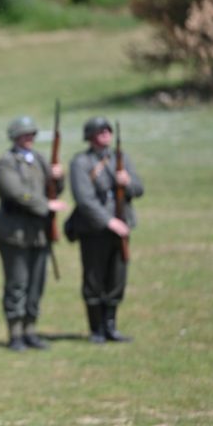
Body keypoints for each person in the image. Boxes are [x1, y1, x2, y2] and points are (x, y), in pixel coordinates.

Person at [0, 116, 67, 352]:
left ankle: (30, 330)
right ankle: (15, 333)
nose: (29, 139)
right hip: (15, 232)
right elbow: (16, 193)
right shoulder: (6, 162)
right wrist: (45, 205)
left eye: (32, 135)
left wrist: (58, 177)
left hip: (38, 233)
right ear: (15, 137)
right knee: (17, 283)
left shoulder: (40, 160)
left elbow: (54, 189)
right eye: (25, 135)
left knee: (36, 284)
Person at [68, 117, 144, 343]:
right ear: (90, 136)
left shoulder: (120, 159)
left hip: (121, 227)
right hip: (94, 229)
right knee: (94, 279)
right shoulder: (81, 162)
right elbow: (85, 199)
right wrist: (109, 222)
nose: (105, 135)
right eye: (100, 132)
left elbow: (139, 189)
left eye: (107, 131)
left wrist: (126, 181)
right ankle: (96, 328)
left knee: (117, 278)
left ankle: (111, 325)